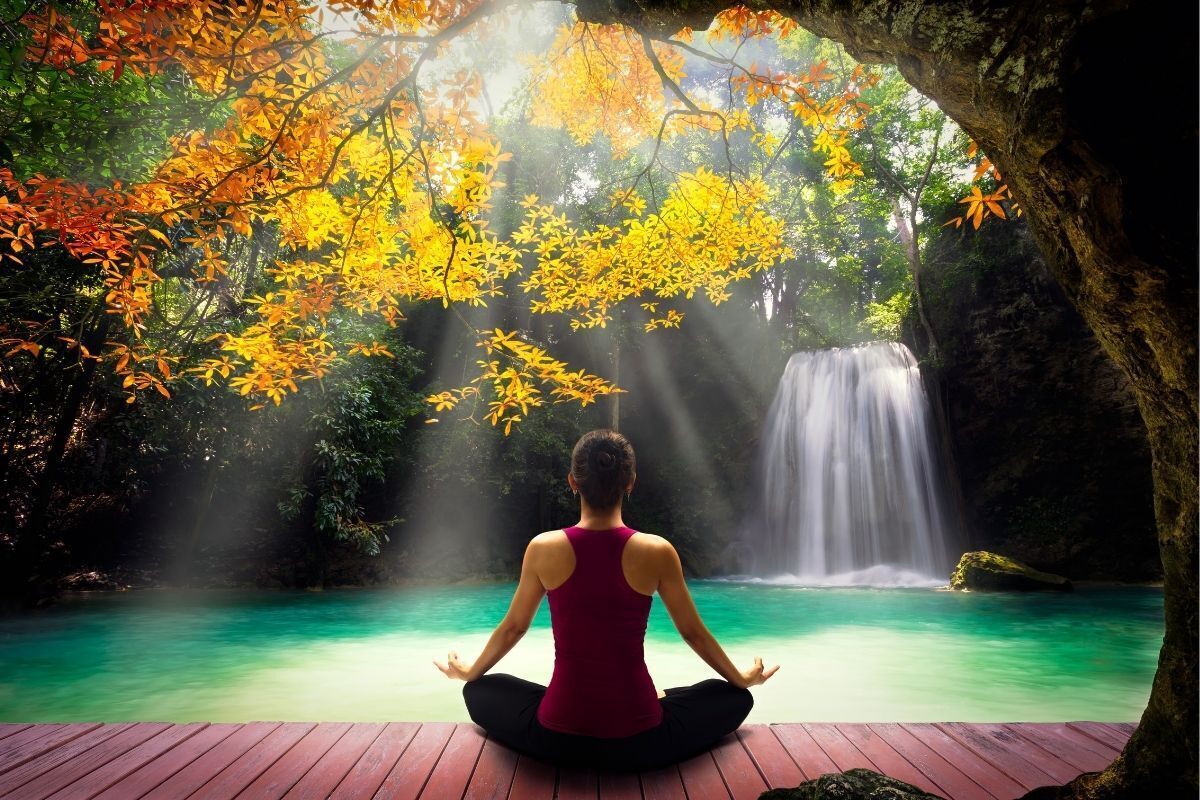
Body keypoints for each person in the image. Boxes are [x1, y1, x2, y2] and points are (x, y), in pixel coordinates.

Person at [433, 429, 780, 773]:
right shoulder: (657, 551)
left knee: (479, 691)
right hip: (642, 742)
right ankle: (660, 698)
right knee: (734, 698)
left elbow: (513, 629)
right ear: (630, 482)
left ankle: (565, 703)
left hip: (557, 740)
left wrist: (469, 671)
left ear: (573, 481)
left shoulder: (542, 548)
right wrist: (741, 677)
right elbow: (693, 633)